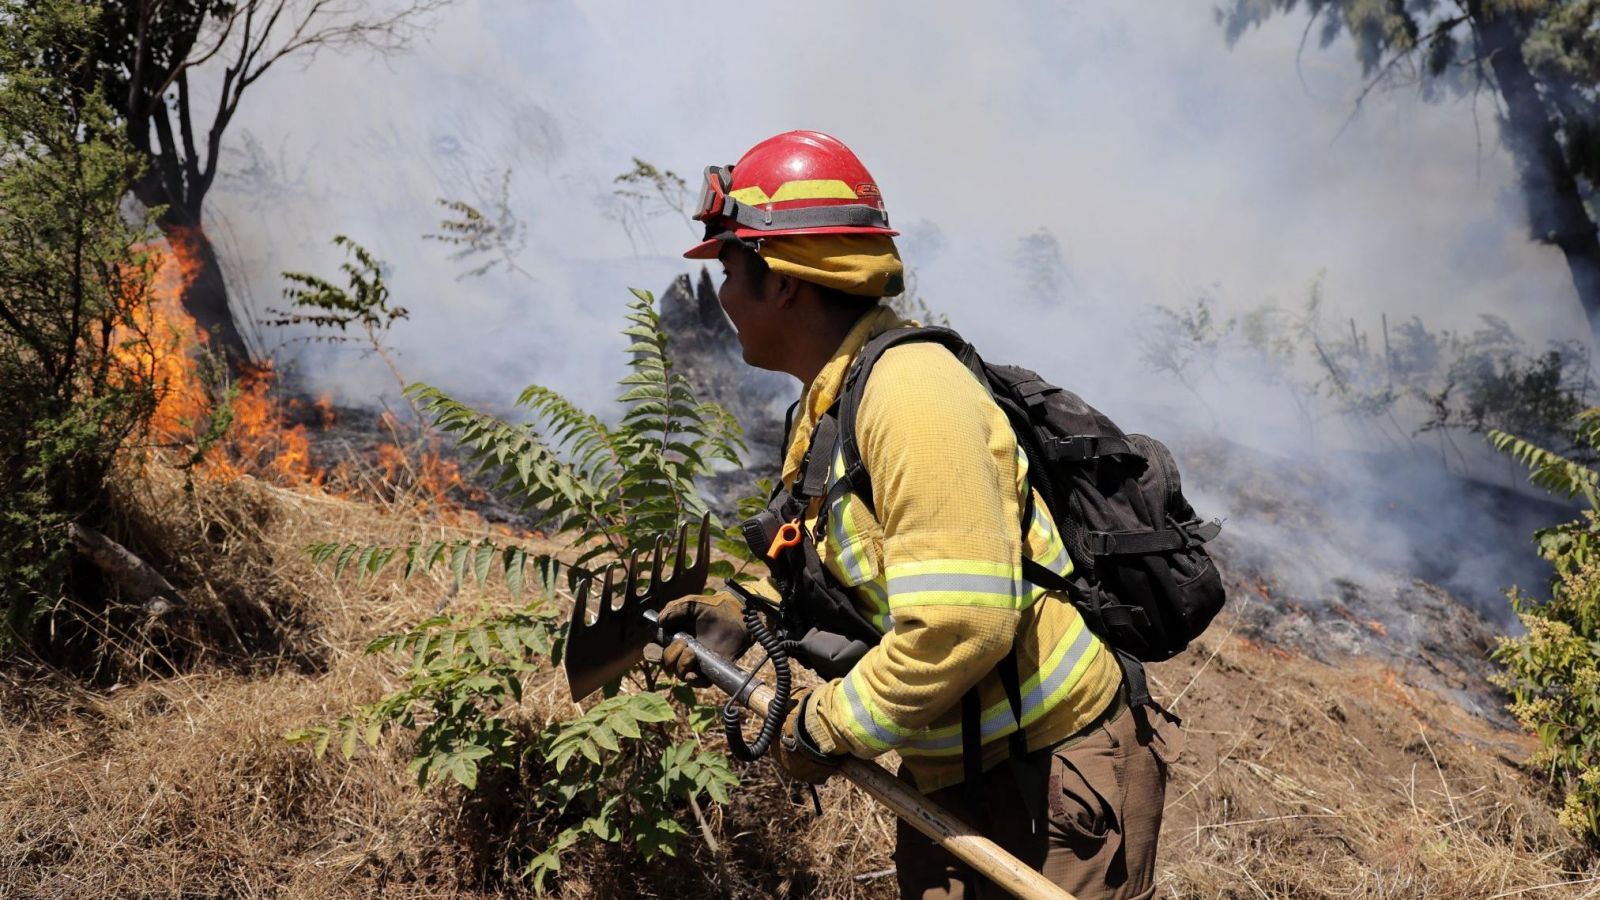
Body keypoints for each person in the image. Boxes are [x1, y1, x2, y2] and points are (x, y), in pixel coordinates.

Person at [658, 130, 1180, 900]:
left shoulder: (912, 397)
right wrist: (748, 618)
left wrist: (823, 726)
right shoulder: (832, 402)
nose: (724, 296)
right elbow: (850, 567)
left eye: (731, 270)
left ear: (785, 283)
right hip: (956, 775)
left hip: (1056, 779)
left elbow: (960, 624)